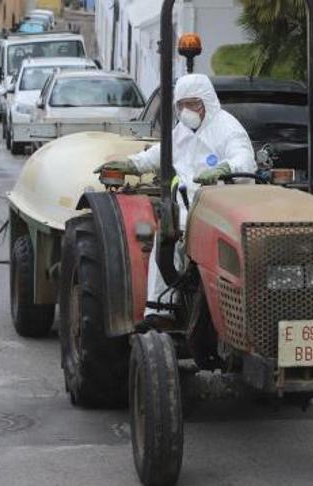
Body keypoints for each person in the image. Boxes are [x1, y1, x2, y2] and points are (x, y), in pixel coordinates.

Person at [100, 73, 256, 327]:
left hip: (221, 210)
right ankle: (159, 310)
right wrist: (132, 164)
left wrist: (224, 169)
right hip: (188, 209)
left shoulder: (228, 128)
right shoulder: (183, 130)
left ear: (207, 102)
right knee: (166, 241)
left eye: (192, 104)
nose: (187, 111)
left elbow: (243, 160)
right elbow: (160, 153)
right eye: (181, 105)